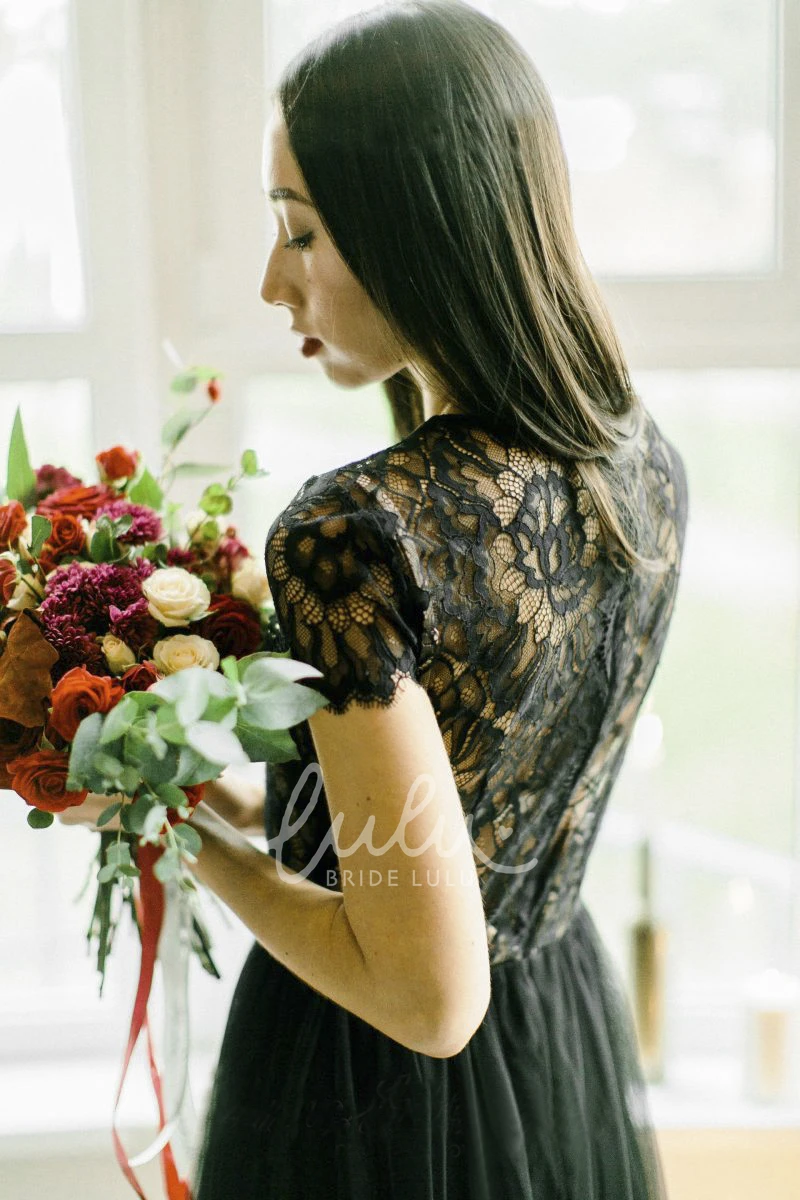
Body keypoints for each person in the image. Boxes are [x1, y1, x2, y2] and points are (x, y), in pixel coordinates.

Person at [66, 2, 688, 1196]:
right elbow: (441, 824)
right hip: (553, 1043)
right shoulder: (636, 459)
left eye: (297, 232)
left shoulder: (354, 535)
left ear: (416, 229)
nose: (268, 281)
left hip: (371, 1101)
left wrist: (175, 828)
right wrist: (194, 778)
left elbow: (425, 994)